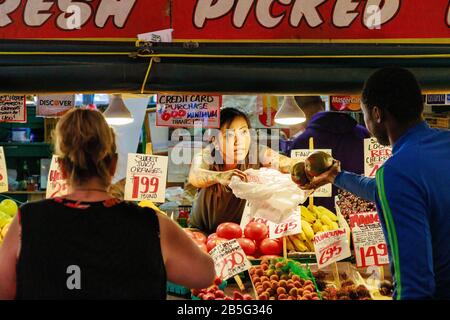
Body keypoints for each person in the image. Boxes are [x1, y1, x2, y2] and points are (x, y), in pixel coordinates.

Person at [0, 108, 215, 300]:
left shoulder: (25, 221)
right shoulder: (153, 225)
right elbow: (205, 274)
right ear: (113, 165)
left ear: (63, 168)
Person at [301, 67, 450, 300]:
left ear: (377, 114)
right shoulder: (443, 144)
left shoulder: (397, 172)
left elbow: (415, 284)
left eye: (365, 114)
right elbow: (388, 191)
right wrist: (336, 176)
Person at [189, 108, 294, 234]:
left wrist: (304, 167)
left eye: (244, 132)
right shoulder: (206, 155)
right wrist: (220, 176)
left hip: (243, 238)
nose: (239, 141)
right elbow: (195, 175)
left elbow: (285, 162)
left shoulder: (257, 152)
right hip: (201, 235)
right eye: (229, 135)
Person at [289, 96, 370, 210]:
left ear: (298, 111)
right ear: (321, 103)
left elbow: (295, 186)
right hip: (361, 216)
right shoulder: (362, 133)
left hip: (318, 221)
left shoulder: (300, 141)